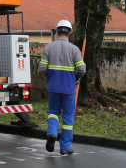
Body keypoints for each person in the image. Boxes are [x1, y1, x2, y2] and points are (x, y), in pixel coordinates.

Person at [38, 19, 86, 155]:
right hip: (69, 88)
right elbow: (82, 69)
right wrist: (76, 78)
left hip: (53, 87)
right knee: (68, 118)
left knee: (53, 112)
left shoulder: (48, 48)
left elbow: (42, 67)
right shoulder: (74, 49)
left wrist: (49, 76)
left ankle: (52, 134)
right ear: (69, 33)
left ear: (57, 32)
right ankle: (65, 146)